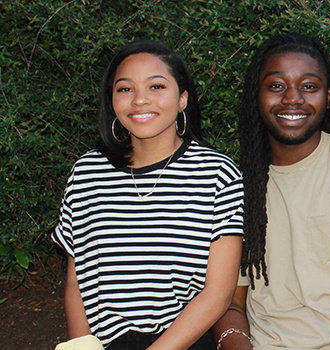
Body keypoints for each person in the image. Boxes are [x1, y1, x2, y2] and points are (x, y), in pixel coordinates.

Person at [211, 33, 330, 350]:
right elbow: (230, 302)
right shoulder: (238, 187)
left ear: (327, 97)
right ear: (256, 96)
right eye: (276, 86)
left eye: (309, 86)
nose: (292, 98)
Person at [51, 40, 244, 349]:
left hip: (183, 341)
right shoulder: (87, 173)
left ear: (182, 99)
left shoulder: (217, 174)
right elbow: (77, 280)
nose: (140, 100)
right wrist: (81, 345)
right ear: (111, 100)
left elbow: (218, 294)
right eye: (125, 89)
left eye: (156, 87)